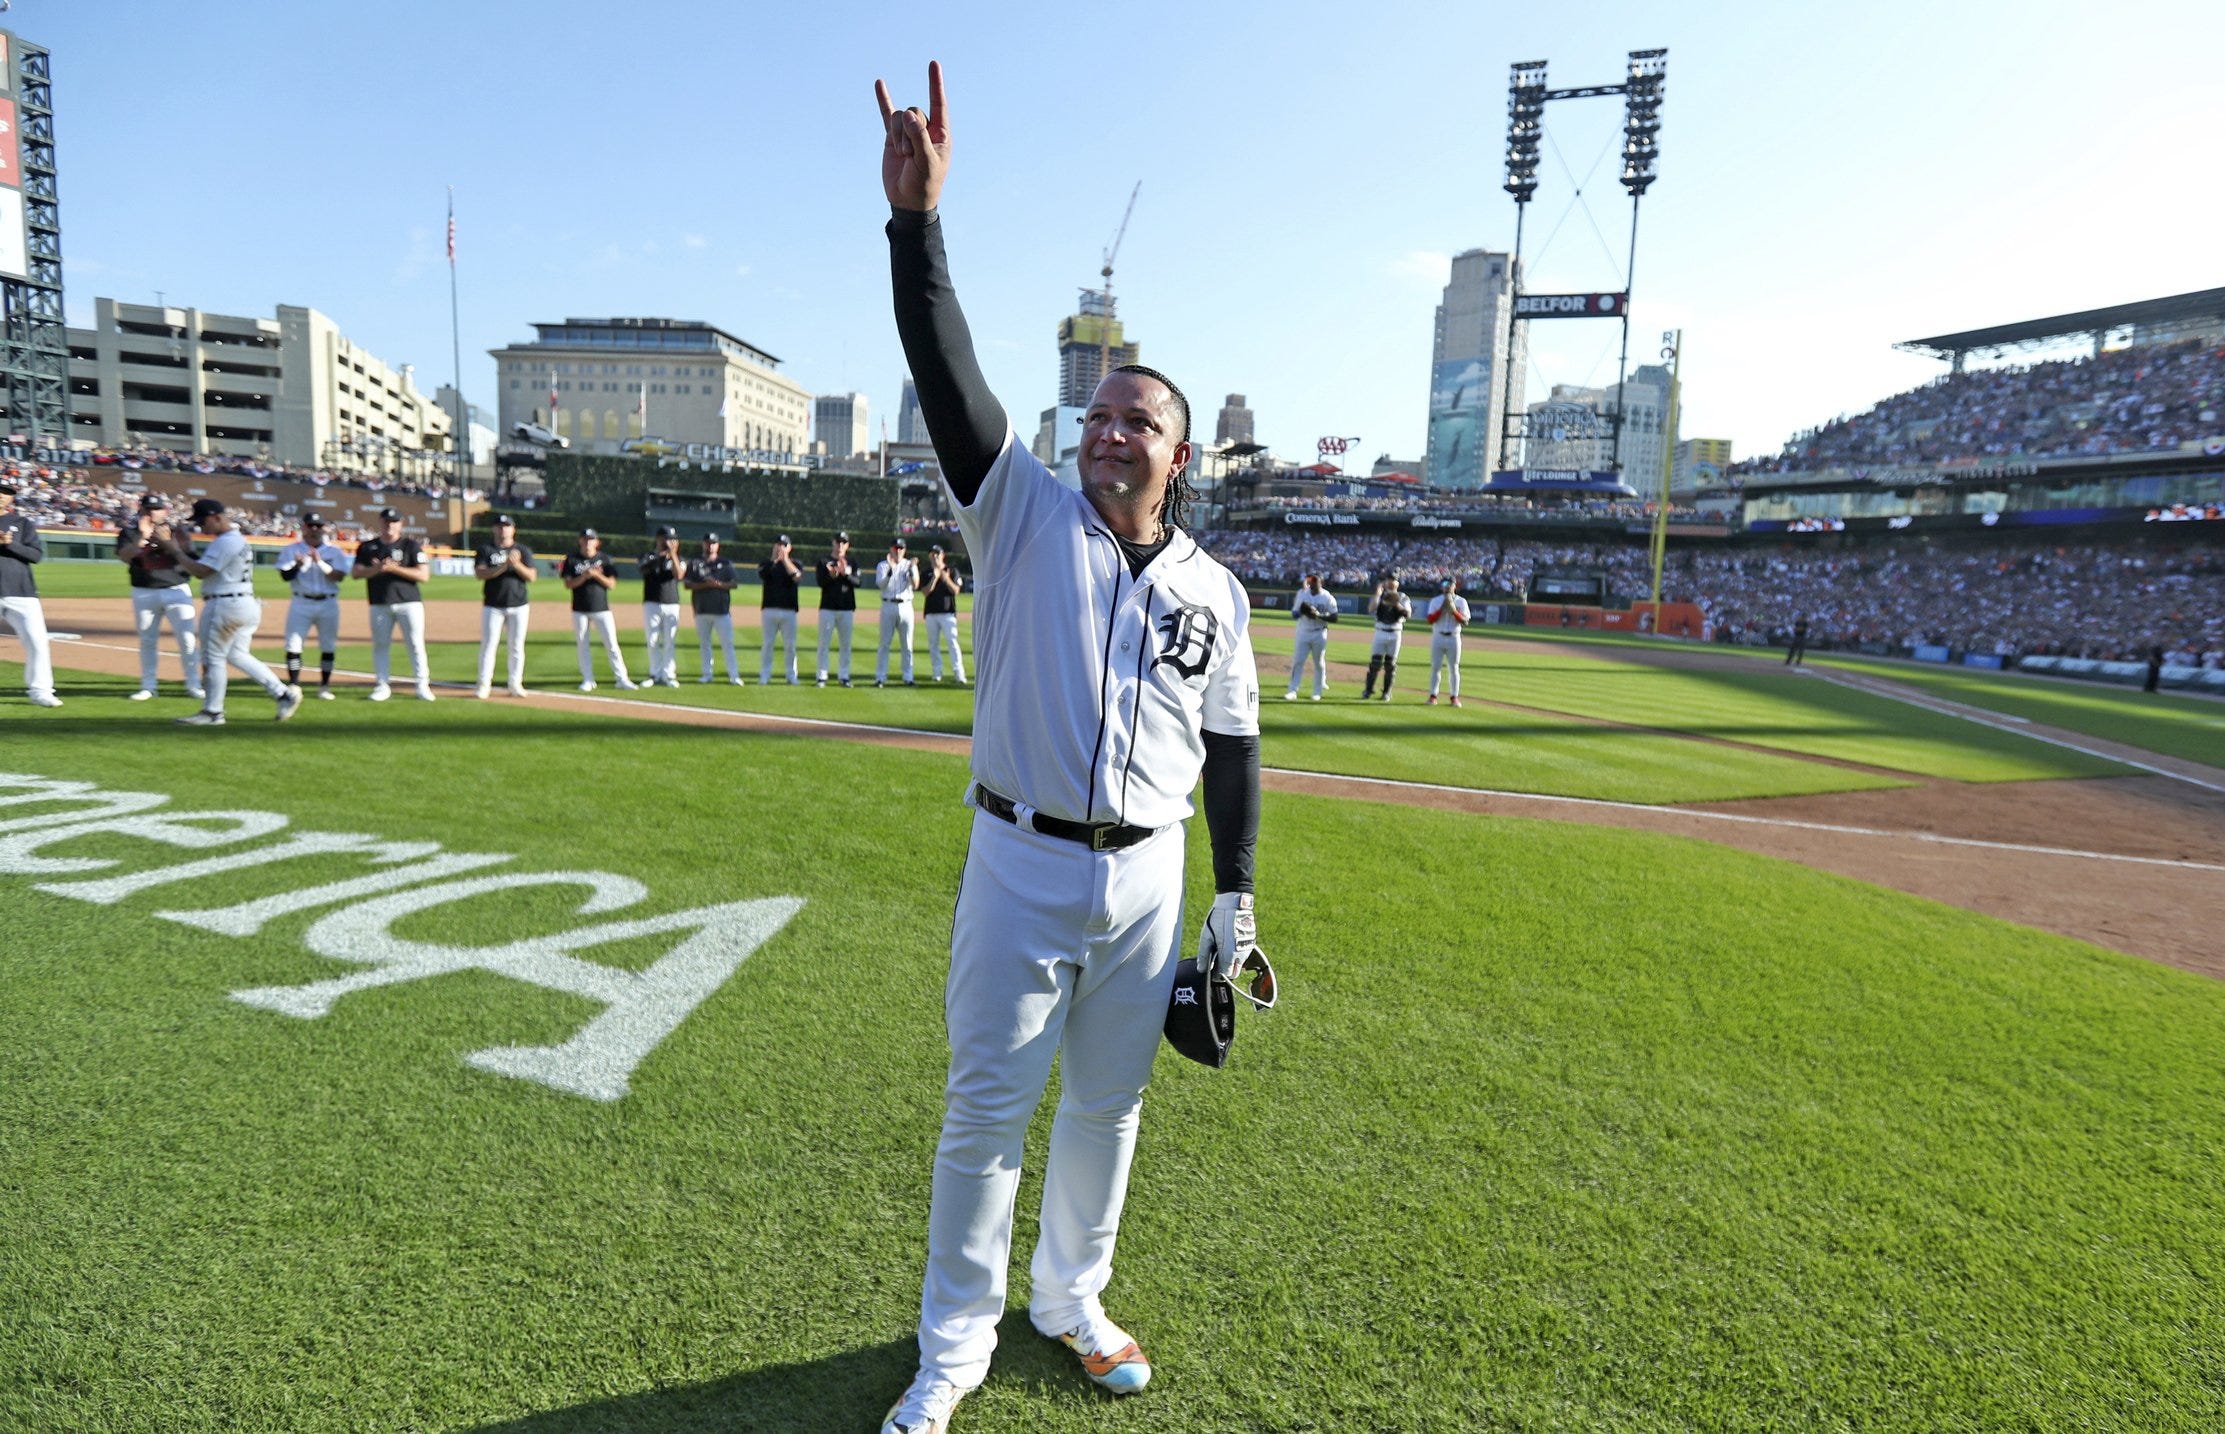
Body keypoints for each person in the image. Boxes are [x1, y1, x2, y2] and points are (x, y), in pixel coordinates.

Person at [873, 63, 1263, 1434]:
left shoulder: (1213, 588)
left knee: (1110, 1111)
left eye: (1135, 419)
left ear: (1180, 456)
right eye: (1095, 413)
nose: (1107, 429)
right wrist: (918, 229)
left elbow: (1232, 747)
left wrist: (1234, 895)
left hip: (1150, 879)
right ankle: (954, 1340)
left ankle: (1069, 1297)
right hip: (1019, 854)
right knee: (984, 1112)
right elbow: (947, 370)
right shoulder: (1018, 511)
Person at [157, 499, 302, 726]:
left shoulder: (226, 541)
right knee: (237, 655)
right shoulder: (234, 540)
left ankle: (213, 712)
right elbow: (208, 568)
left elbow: (202, 571)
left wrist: (174, 550)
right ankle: (283, 693)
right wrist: (187, 550)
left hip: (225, 605)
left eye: (202, 521)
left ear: (216, 517)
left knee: (213, 658)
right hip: (242, 603)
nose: (200, 527)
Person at [115, 494, 203, 703]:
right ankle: (149, 686)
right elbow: (125, 557)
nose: (151, 513)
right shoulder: (129, 532)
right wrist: (141, 537)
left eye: (155, 509)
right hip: (144, 590)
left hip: (176, 589)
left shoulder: (179, 532)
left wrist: (168, 542)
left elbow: (191, 557)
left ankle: (193, 684)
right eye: (147, 509)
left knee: (187, 639)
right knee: (147, 641)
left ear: (165, 511)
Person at [351, 507, 434, 701]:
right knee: (381, 645)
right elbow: (356, 573)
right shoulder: (368, 546)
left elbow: (423, 575)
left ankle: (422, 685)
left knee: (415, 644)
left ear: (400, 524)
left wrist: (395, 569)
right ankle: (382, 685)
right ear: (380, 522)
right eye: (387, 521)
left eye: (394, 521)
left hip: (409, 602)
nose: (390, 524)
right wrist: (377, 568)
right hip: (379, 602)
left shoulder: (410, 545)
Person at [0, 479, 61, 707]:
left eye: (6, 493)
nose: (1, 496)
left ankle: (41, 691)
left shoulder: (22, 522)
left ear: (11, 498)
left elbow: (36, 556)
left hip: (21, 592)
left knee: (37, 642)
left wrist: (9, 544)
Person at [278, 514, 350, 701]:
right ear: (304, 527)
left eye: (319, 525)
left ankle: (324, 687)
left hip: (328, 601)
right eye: (311, 525)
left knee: (328, 644)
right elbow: (285, 576)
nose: (315, 529)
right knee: (293, 643)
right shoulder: (292, 549)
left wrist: (320, 563)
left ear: (324, 528)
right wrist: (299, 565)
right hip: (301, 601)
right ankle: (294, 685)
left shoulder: (334, 551)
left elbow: (339, 576)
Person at [560, 528, 636, 692]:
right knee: (582, 645)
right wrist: (584, 576)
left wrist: (595, 575)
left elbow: (611, 584)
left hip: (602, 609)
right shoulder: (572, 559)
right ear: (580, 541)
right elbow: (568, 584)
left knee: (612, 644)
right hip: (579, 609)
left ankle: (622, 678)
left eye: (591, 539)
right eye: (585, 539)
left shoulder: (604, 559)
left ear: (597, 542)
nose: (588, 542)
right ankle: (588, 679)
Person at [473, 513, 536, 699]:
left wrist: (515, 565)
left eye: (507, 526)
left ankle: (515, 683)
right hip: (493, 605)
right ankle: (484, 684)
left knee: (516, 646)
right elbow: (480, 573)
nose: (503, 529)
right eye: (499, 526)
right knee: (489, 645)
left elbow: (531, 576)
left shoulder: (523, 550)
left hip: (519, 605)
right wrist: (503, 566)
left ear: (513, 529)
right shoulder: (486, 549)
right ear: (494, 529)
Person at [686, 532, 744, 685]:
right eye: (707, 543)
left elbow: (734, 583)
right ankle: (707, 674)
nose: (710, 546)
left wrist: (718, 585)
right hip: (701, 609)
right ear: (703, 544)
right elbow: (687, 584)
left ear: (718, 545)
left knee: (727, 644)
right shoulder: (695, 562)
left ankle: (734, 675)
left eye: (713, 543)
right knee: (704, 644)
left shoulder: (725, 563)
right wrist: (706, 584)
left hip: (722, 610)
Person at [638, 526, 686, 688]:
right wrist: (661, 556)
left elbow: (679, 575)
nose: (668, 542)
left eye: (671, 539)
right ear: (658, 539)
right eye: (665, 538)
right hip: (652, 602)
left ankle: (669, 674)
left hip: (671, 603)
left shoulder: (678, 558)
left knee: (669, 641)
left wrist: (672, 555)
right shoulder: (647, 555)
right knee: (652, 640)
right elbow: (644, 568)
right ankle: (655, 673)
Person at [815, 530, 860, 687]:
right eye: (838, 542)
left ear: (847, 545)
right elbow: (820, 582)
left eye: (843, 542)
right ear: (833, 543)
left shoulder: (852, 562)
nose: (840, 545)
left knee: (845, 645)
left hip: (846, 608)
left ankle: (844, 676)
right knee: (823, 643)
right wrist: (833, 575)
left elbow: (857, 582)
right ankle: (822, 676)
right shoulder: (824, 561)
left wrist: (845, 574)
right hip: (828, 607)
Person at [757, 533, 803, 685]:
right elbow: (763, 574)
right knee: (767, 644)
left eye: (784, 545)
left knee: (790, 645)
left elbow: (796, 576)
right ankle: (765, 674)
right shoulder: (767, 563)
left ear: (790, 548)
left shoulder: (795, 563)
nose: (780, 548)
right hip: (769, 609)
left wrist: (785, 560)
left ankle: (791, 675)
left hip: (789, 610)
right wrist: (774, 560)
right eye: (778, 545)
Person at [874, 536, 919, 687]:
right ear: (890, 549)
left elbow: (916, 584)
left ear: (904, 550)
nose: (898, 550)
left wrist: (912, 569)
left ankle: (908, 676)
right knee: (884, 644)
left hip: (906, 605)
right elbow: (881, 585)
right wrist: (891, 570)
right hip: (888, 604)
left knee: (907, 644)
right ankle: (880, 677)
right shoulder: (882, 565)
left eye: (900, 548)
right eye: (895, 548)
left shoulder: (909, 564)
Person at [1284, 573, 1336, 700]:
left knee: (1318, 663)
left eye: (1315, 581)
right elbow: (1294, 614)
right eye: (1310, 581)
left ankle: (1317, 692)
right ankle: (1292, 690)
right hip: (1303, 632)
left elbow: (1335, 617)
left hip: (1319, 632)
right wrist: (1302, 612)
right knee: (1298, 661)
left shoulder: (1327, 597)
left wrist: (1318, 616)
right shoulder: (1303, 594)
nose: (1312, 583)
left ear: (1321, 582)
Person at [1361, 572, 1412, 701]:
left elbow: (1407, 614)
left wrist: (1395, 602)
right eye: (1389, 580)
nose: (1391, 582)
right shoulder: (1380, 595)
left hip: (1395, 632)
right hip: (1380, 631)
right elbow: (1371, 608)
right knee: (1375, 663)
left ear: (1398, 583)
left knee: (1390, 665)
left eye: (1393, 580)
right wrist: (1378, 593)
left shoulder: (1403, 597)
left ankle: (1387, 692)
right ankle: (1368, 690)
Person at [921, 543, 966, 684]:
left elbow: (956, 590)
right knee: (933, 644)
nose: (934, 556)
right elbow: (925, 592)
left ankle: (959, 673)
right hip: (931, 613)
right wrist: (934, 578)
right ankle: (937, 672)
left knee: (952, 643)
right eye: (932, 554)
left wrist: (945, 578)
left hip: (948, 613)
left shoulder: (952, 571)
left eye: (937, 553)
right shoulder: (927, 572)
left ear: (942, 555)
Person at [1425, 577, 1470, 707]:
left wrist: (1453, 611)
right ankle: (1433, 696)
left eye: (1450, 584)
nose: (1447, 586)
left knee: (1454, 667)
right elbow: (1430, 620)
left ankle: (1454, 697)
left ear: (1455, 586)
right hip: (1438, 636)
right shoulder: (1436, 601)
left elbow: (1465, 621)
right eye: (1444, 584)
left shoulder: (1461, 601)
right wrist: (1441, 609)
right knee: (1435, 667)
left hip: (1454, 637)